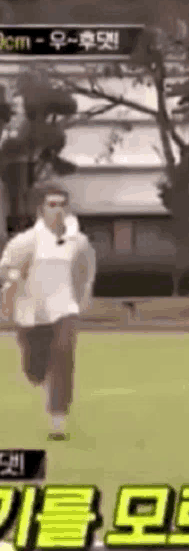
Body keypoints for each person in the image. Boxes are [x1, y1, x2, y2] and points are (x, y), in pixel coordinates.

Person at [0, 182, 96, 441]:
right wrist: (12, 284)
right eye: (52, 205)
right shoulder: (26, 242)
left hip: (64, 308)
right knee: (35, 371)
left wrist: (83, 295)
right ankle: (41, 379)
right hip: (30, 312)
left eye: (62, 205)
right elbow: (6, 270)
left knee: (64, 353)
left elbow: (87, 267)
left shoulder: (78, 241)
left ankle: (58, 418)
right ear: (41, 209)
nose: (58, 210)